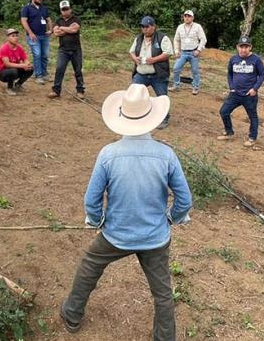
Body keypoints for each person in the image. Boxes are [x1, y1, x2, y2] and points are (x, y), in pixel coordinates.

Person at [60, 83, 193, 339]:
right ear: (152, 118)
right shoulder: (166, 154)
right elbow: (184, 200)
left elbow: (92, 200)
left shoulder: (108, 154)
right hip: (155, 237)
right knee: (163, 292)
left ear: (121, 117)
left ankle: (72, 314)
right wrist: (170, 219)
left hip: (116, 234)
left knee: (90, 266)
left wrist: (99, 220)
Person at [217, 36, 264, 147]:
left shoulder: (256, 60)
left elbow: (262, 75)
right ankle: (229, 132)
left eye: (246, 47)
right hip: (235, 94)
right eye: (241, 47)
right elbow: (229, 73)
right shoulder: (233, 59)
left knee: (252, 116)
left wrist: (255, 88)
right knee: (224, 111)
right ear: (237, 47)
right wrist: (231, 86)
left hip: (249, 95)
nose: (243, 49)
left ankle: (252, 137)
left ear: (250, 47)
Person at [129, 16, 173, 129]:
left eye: (147, 27)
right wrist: (135, 58)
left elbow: (168, 53)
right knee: (133, 93)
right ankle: (135, 114)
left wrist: (154, 60)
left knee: (162, 97)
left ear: (153, 27)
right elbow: (131, 52)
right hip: (141, 74)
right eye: (142, 27)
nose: (144, 29)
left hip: (157, 74)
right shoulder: (139, 38)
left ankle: (164, 118)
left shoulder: (162, 38)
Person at [48, 0, 85, 99]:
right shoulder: (58, 20)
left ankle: (80, 90)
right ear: (61, 11)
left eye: (67, 9)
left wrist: (62, 28)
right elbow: (56, 33)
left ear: (70, 9)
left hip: (76, 49)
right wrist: (68, 28)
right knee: (59, 69)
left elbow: (75, 29)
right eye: (63, 10)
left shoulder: (76, 19)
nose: (65, 11)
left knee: (78, 70)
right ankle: (56, 90)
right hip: (63, 50)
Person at [171, 9, 207, 95]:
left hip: (193, 52)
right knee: (176, 68)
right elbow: (176, 40)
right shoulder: (180, 27)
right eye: (185, 16)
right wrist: (176, 50)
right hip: (183, 52)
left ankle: (195, 87)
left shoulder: (197, 27)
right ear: (183, 17)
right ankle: (176, 85)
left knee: (195, 71)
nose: (187, 18)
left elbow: (203, 39)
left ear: (192, 17)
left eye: (189, 16)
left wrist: (198, 50)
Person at [20, 0, 51, 84]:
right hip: (34, 36)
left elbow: (49, 20)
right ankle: (39, 75)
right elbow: (24, 21)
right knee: (37, 55)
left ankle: (44, 73)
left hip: (44, 36)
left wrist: (50, 30)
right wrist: (30, 33)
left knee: (45, 55)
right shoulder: (26, 8)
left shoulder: (44, 8)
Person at [0, 28, 33, 96]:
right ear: (8, 38)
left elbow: (25, 59)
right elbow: (7, 64)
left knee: (30, 68)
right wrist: (23, 65)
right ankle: (9, 88)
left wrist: (27, 64)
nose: (15, 38)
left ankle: (18, 85)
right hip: (3, 73)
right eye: (13, 36)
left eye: (16, 35)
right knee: (13, 71)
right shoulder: (4, 48)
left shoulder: (19, 48)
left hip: (15, 69)